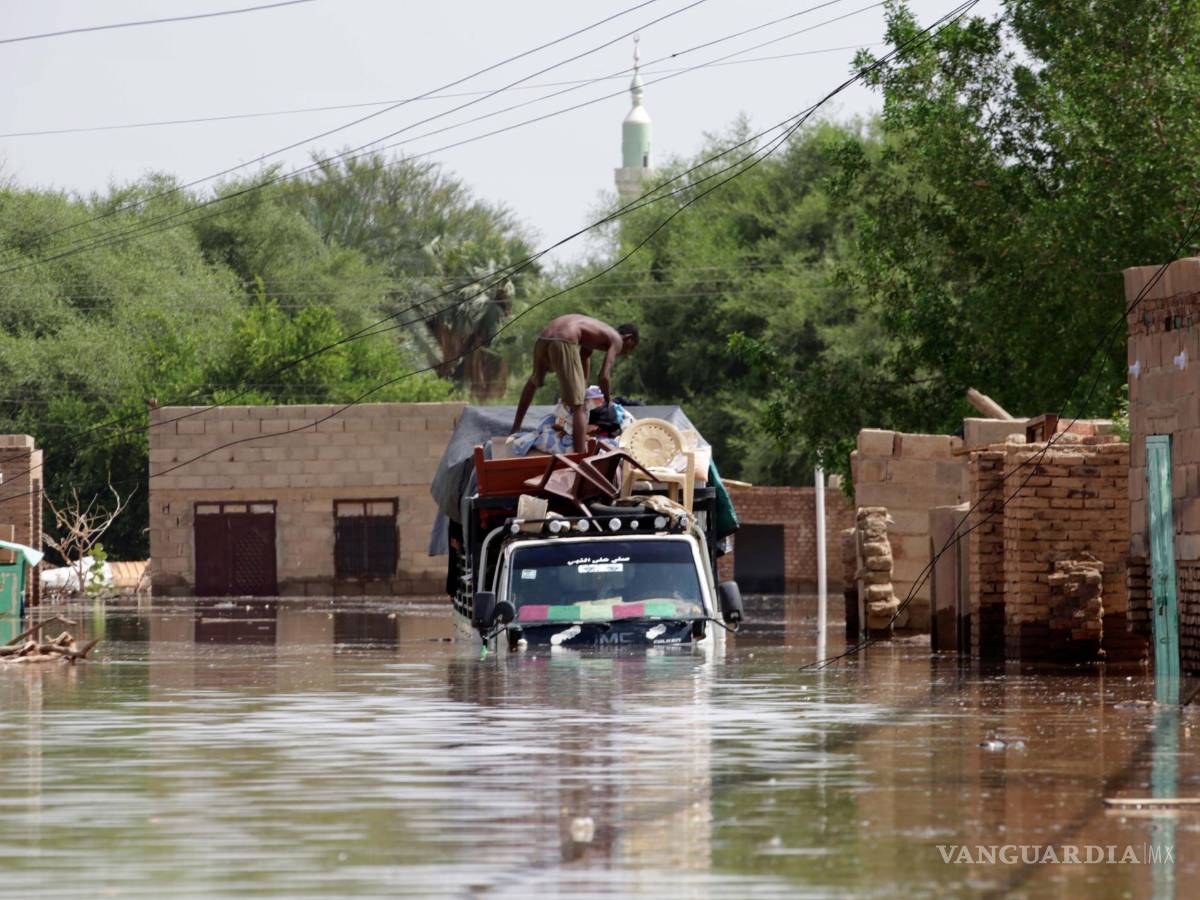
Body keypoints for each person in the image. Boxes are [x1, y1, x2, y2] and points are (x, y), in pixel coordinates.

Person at [511, 315, 639, 452]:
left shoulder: (596, 332)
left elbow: (584, 357)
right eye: (630, 349)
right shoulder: (617, 339)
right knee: (580, 406)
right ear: (629, 338)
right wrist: (608, 400)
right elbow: (604, 377)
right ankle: (580, 457)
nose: (626, 353)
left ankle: (515, 428)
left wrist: (582, 387)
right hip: (564, 340)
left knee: (535, 379)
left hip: (544, 338)